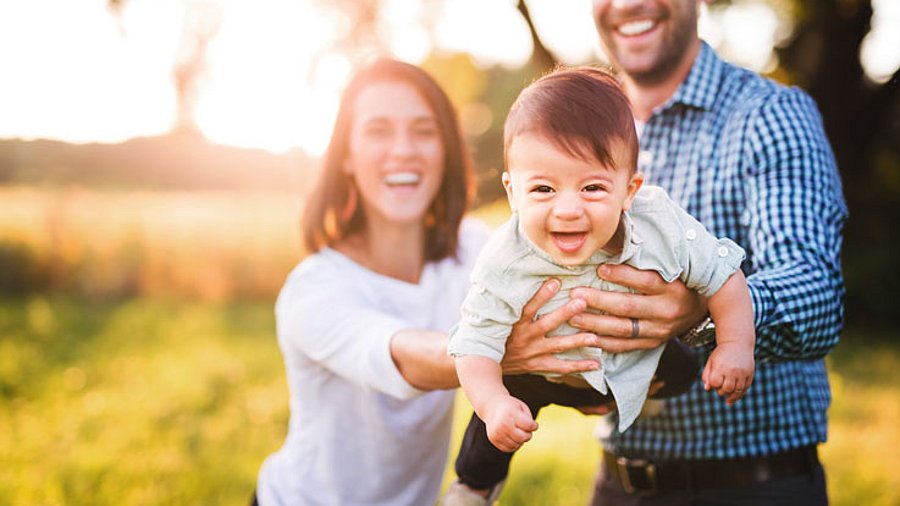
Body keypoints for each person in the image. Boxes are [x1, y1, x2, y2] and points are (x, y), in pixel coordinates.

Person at [251, 58, 607, 506]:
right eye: (378, 131)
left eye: (424, 130)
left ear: (445, 150)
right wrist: (497, 348)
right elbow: (402, 357)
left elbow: (560, 304)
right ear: (345, 156)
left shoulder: (475, 251)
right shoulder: (315, 286)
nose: (403, 150)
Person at [573, 1, 848, 504]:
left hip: (755, 487)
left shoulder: (767, 114)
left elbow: (816, 293)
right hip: (617, 485)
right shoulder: (582, 131)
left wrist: (707, 310)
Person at [441, 66, 755, 505]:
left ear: (630, 190)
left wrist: (735, 345)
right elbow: (473, 343)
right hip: (546, 372)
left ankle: (640, 394)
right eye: (543, 189)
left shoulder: (659, 223)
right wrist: (493, 403)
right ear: (513, 193)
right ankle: (472, 489)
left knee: (684, 370)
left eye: (592, 187)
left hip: (637, 356)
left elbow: (723, 274)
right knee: (498, 410)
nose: (568, 209)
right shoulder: (504, 257)